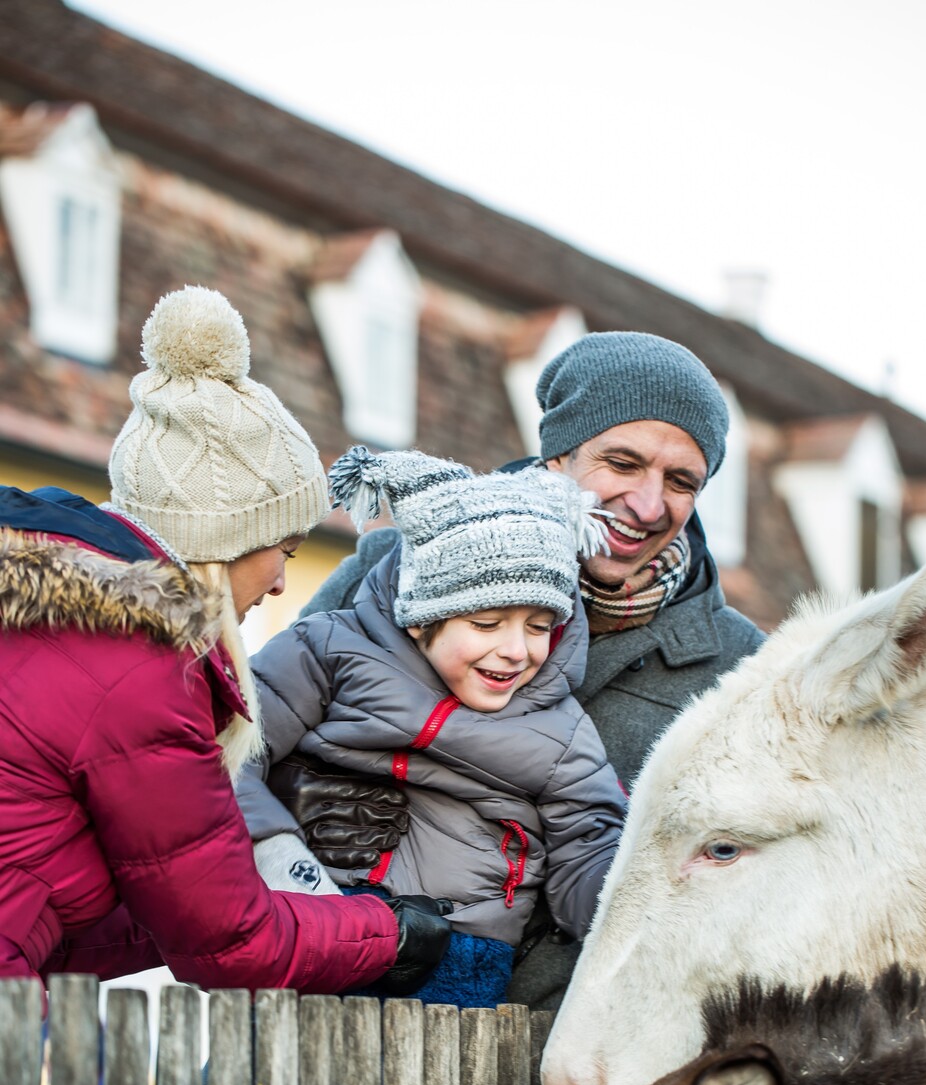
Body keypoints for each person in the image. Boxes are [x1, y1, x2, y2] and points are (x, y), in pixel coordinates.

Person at [0, 285, 450, 997]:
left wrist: (236, 902)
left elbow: (53, 911)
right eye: (288, 551)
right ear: (224, 542)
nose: (278, 585)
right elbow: (232, 948)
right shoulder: (135, 668)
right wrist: (388, 930)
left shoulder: (47, 632)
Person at [295, 331, 766, 1009]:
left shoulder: (736, 668)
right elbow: (254, 729)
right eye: (623, 462)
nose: (647, 502)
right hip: (335, 1008)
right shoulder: (404, 565)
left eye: (681, 480)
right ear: (558, 459)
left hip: (566, 1055)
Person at [237, 445, 627, 1008]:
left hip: (459, 950)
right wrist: (279, 854)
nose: (516, 651)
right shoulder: (328, 651)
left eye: (540, 626)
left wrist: (633, 891)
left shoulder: (561, 732)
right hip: (313, 913)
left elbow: (589, 846)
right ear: (422, 619)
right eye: (487, 622)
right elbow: (228, 746)